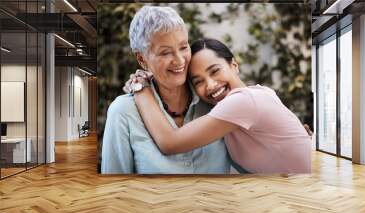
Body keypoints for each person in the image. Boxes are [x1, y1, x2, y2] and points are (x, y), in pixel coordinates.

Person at [130, 38, 312, 174]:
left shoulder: (242, 101)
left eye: (215, 71)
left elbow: (169, 143)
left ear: (234, 65)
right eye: (198, 81)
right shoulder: (258, 93)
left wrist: (141, 88)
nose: (210, 85)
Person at [101, 6, 230, 174]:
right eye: (165, 53)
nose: (179, 61)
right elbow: (115, 188)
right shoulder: (123, 112)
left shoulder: (213, 96)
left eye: (183, 47)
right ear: (141, 58)